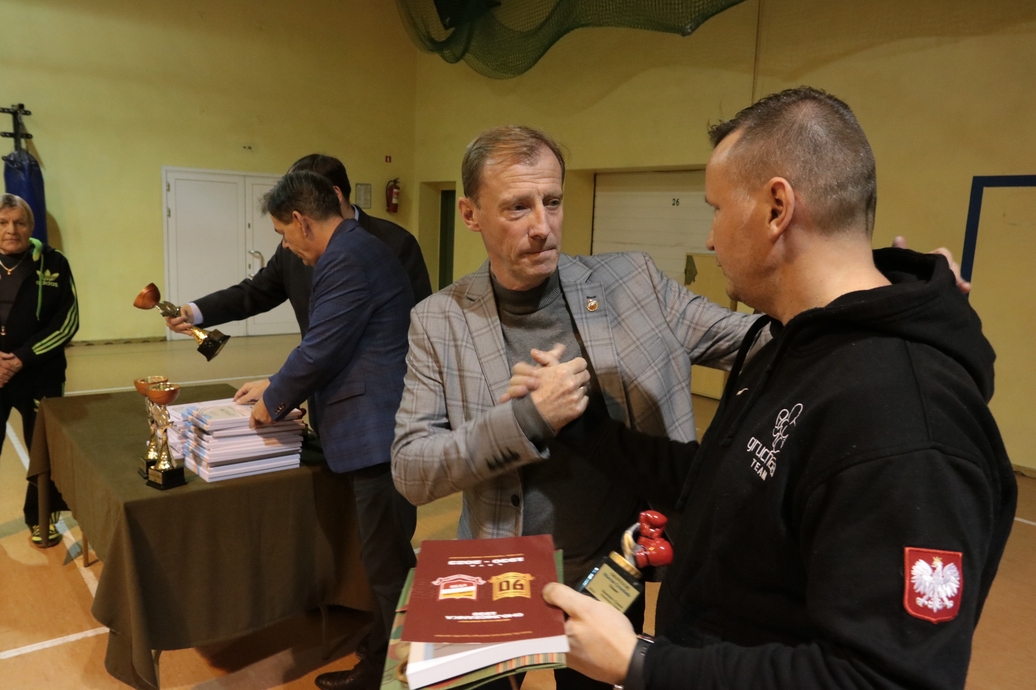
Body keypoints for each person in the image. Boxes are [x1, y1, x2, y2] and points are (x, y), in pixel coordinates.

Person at [524, 87, 1017, 690]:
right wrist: (584, 427)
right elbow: (718, 480)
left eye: (715, 209)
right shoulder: (797, 343)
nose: (710, 239)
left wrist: (641, 664)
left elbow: (885, 678)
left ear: (777, 208)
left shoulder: (905, 422)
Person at [390, 125, 759, 690]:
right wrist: (528, 419)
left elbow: (754, 341)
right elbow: (412, 470)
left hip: (610, 570)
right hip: (500, 568)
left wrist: (868, 288)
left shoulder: (633, 281)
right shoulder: (439, 320)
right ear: (470, 215)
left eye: (553, 201)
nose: (543, 225)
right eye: (517, 206)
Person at [250, 171, 416, 690]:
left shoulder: (345, 257)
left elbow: (321, 349)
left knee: (388, 568)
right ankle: (383, 661)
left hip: (377, 435)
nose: (285, 245)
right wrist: (279, 385)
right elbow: (337, 345)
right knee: (384, 564)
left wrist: (272, 402)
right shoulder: (355, 248)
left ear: (301, 221)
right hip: (373, 431)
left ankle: (394, 675)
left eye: (282, 232)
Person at [165, 153, 432, 403]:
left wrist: (275, 392)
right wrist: (194, 312)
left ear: (333, 194)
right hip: (321, 392)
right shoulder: (293, 246)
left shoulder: (394, 242)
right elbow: (256, 292)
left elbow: (419, 325)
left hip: (378, 396)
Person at [0, 194, 78, 546]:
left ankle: (41, 517)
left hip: (40, 375)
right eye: (3, 223)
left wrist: (20, 358)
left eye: (19, 222)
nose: (11, 230)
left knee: (43, 451)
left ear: (31, 227)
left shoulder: (54, 262)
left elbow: (68, 321)